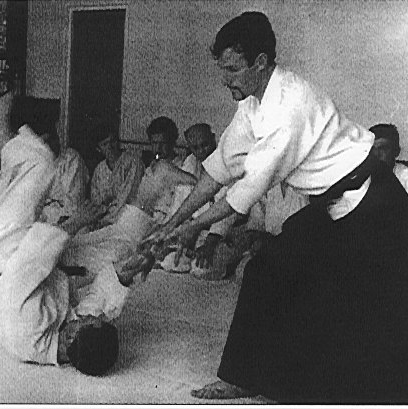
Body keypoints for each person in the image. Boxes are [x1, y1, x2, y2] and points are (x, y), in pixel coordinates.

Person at [145, 12, 408, 403]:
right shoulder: (252, 103)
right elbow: (218, 169)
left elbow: (246, 191)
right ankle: (242, 377)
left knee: (370, 303)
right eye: (222, 69)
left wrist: (188, 229)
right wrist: (173, 223)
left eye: (233, 69)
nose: (225, 79)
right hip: (334, 203)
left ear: (260, 62)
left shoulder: (290, 105)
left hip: (377, 205)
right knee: (265, 268)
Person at [0, 95, 118, 376]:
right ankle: (8, 163)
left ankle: (0, 133)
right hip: (6, 258)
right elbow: (89, 301)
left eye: (89, 322)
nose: (88, 317)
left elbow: (27, 264)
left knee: (41, 164)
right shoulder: (54, 339)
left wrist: (76, 223)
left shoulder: (29, 328)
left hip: (1, 256)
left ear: (72, 337)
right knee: (27, 178)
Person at [60, 157, 198, 334]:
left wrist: (74, 223)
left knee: (120, 243)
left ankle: (163, 183)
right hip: (63, 263)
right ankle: (163, 184)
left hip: (56, 257)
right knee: (120, 242)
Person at [160, 123, 239, 280]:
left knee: (201, 270)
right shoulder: (190, 163)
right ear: (190, 148)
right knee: (170, 262)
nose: (202, 151)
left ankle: (231, 261)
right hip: (195, 232)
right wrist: (170, 236)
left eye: (205, 144)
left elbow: (228, 210)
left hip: (220, 234)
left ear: (214, 139)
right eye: (196, 148)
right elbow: (180, 203)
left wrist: (210, 244)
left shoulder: (228, 161)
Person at [89, 122, 145, 228]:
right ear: (99, 149)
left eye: (113, 141)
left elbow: (128, 198)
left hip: (125, 220)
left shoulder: (132, 162)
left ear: (118, 142)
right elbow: (96, 202)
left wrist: (106, 218)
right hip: (102, 222)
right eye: (104, 144)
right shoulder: (99, 170)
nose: (110, 147)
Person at [40, 119, 90, 225]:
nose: (48, 145)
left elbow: (74, 202)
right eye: (44, 142)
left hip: (67, 220)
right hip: (42, 220)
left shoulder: (71, 159)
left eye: (51, 139)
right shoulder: (40, 163)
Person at [369, 123, 408, 192]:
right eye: (372, 149)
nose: (376, 154)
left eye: (383, 148)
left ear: (396, 151)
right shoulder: (361, 175)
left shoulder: (405, 177)